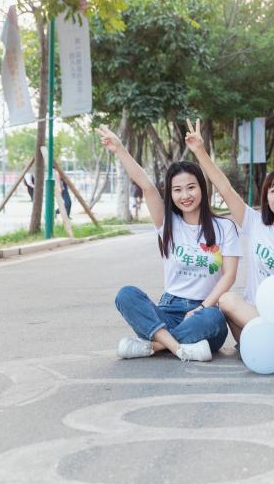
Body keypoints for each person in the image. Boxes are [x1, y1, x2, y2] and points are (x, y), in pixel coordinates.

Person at [97, 125, 241, 362]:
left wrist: (202, 307)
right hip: (168, 310)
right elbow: (146, 185)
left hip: (203, 312)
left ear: (202, 189)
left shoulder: (224, 227)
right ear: (171, 195)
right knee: (126, 295)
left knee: (214, 319)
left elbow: (229, 276)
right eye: (177, 190)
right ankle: (179, 348)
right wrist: (120, 149)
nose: (185, 195)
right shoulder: (167, 224)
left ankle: (155, 345)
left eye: (191, 187)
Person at [183, 119, 274, 343]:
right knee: (227, 300)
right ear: (266, 198)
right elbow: (225, 188)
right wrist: (200, 151)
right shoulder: (254, 222)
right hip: (254, 314)